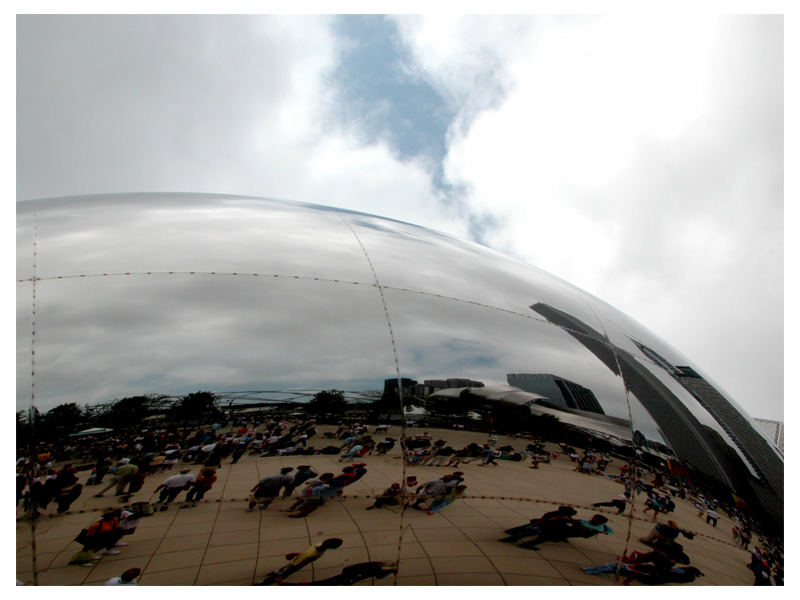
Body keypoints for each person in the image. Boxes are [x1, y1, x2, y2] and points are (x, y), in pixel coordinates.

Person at [254, 538, 343, 585]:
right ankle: (270, 578)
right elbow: (303, 558)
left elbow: (304, 555)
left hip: (295, 561)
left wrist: (293, 555)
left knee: (284, 570)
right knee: (284, 572)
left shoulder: (319, 544)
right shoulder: (315, 553)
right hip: (295, 563)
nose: (338, 547)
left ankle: (273, 575)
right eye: (337, 546)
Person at [519, 514, 613, 550]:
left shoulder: (601, 526)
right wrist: (579, 526)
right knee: (544, 536)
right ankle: (525, 544)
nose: (592, 520)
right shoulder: (583, 521)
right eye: (593, 519)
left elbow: (607, 530)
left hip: (573, 533)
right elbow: (574, 523)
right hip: (566, 530)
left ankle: (525, 537)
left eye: (595, 520)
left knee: (546, 535)